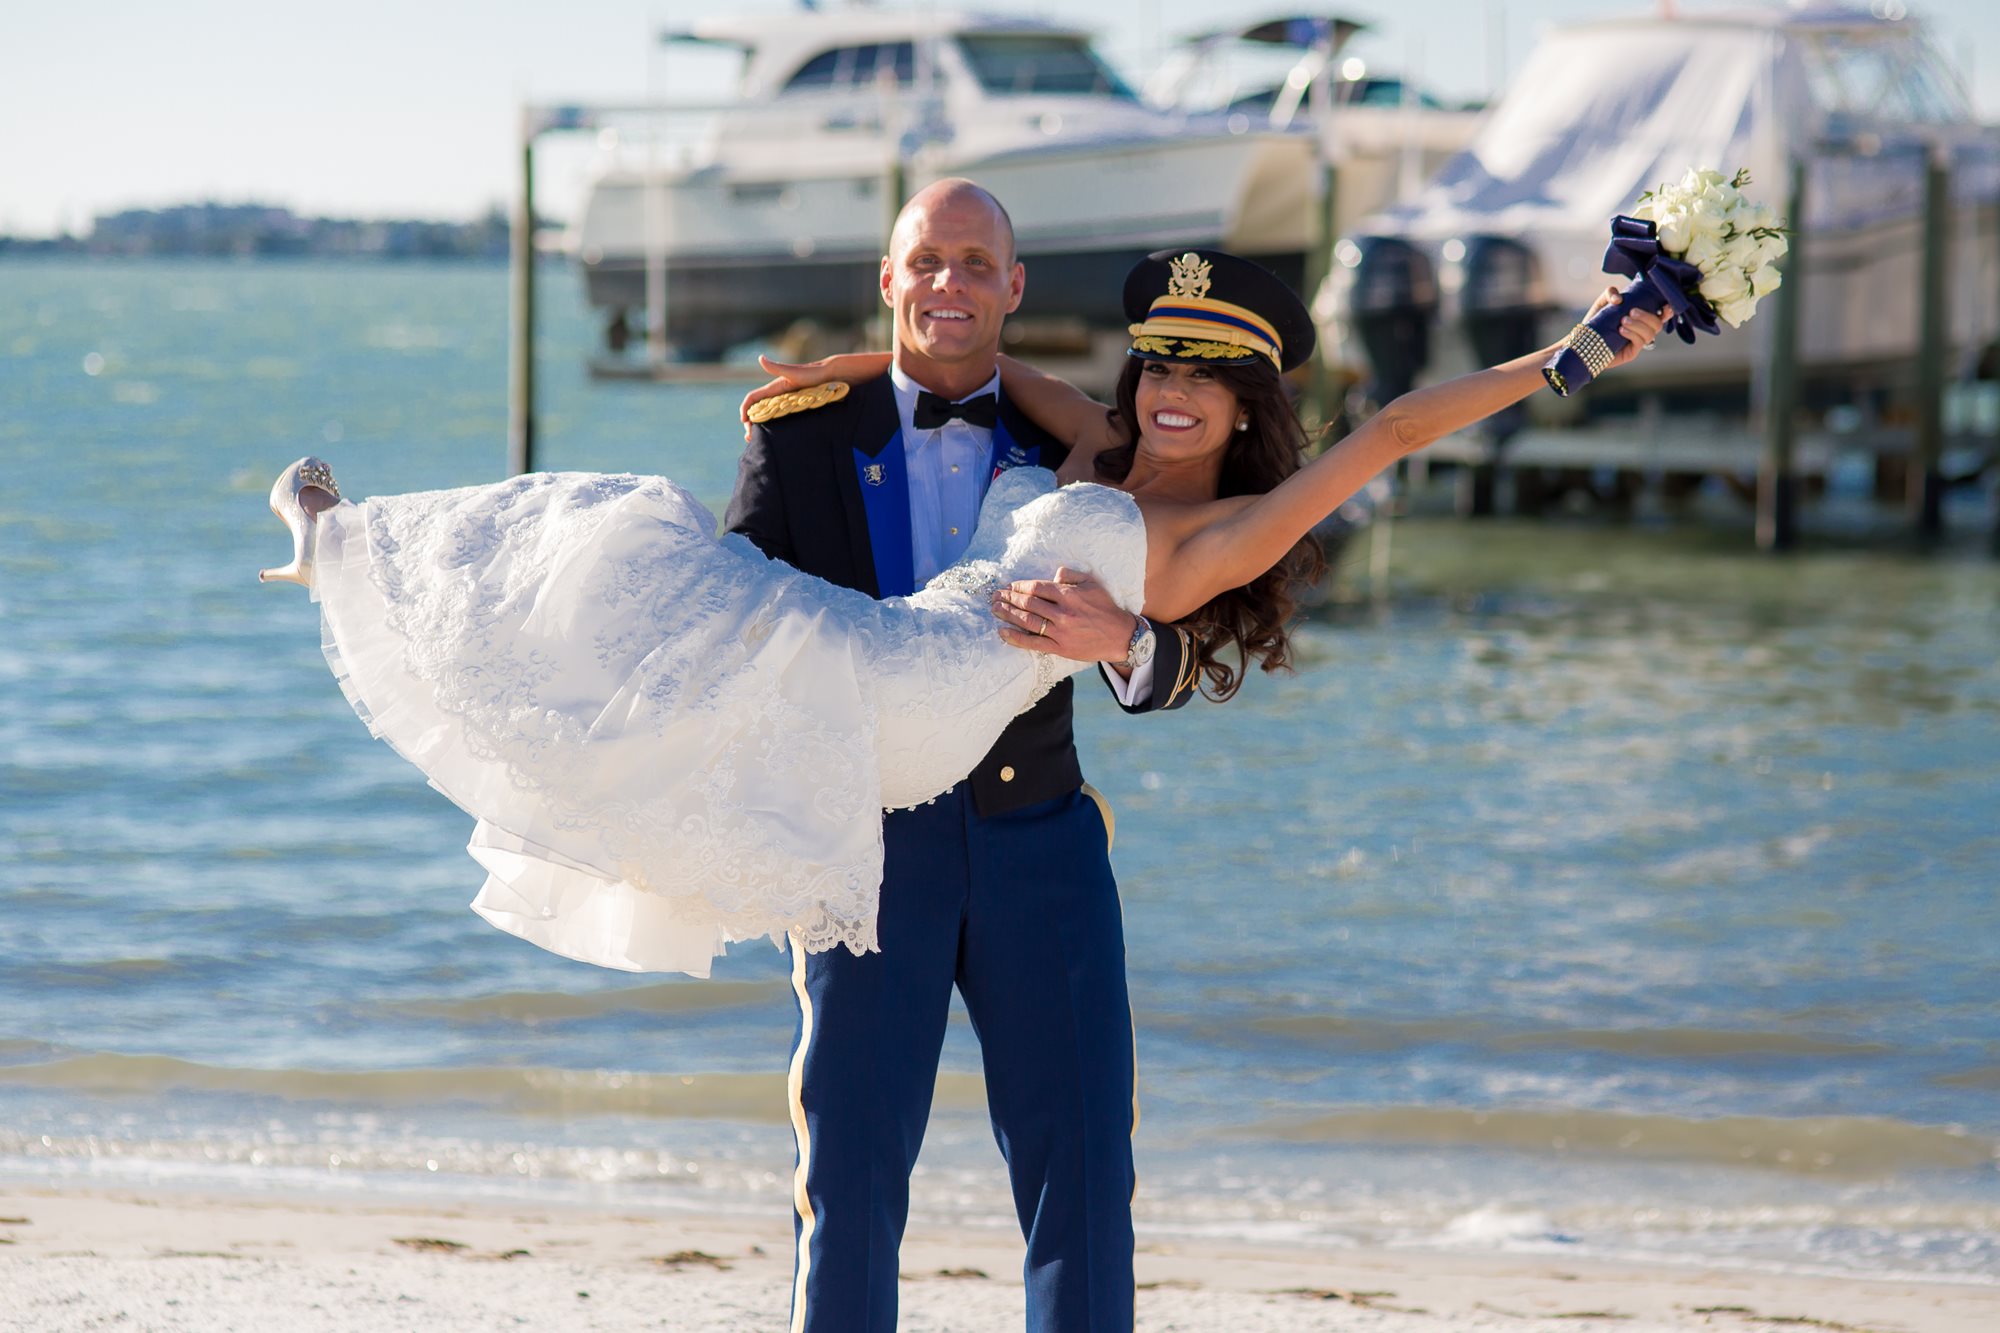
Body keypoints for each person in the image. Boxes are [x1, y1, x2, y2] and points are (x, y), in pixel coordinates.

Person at [257, 179, 1663, 1330]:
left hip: (1032, 828)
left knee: (1081, 1169)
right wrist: (861, 370)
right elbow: (972, 398)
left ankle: (358, 552)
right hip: (872, 806)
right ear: (895, 279)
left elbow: (1395, 432)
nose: (1177, 394)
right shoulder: (1070, 443)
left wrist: (1584, 348)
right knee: (848, 1155)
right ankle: (354, 550)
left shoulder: (1224, 523)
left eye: (976, 264)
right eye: (1164, 368)